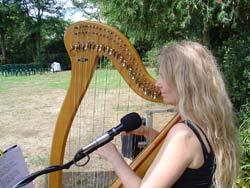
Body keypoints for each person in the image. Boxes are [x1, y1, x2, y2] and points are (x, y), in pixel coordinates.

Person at [95, 41, 241, 188]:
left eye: (162, 76)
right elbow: (187, 156)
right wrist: (148, 132)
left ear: (182, 82)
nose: (157, 84)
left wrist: (113, 157)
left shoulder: (183, 134)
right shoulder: (207, 122)